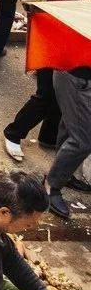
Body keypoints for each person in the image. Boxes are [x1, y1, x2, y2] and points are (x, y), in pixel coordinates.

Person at [5, 0, 91, 156]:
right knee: (46, 96)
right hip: (56, 44)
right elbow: (62, 21)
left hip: (63, 46)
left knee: (57, 100)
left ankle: (49, 138)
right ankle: (13, 133)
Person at [45, 56, 91, 218]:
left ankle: (63, 173)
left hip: (78, 76)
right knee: (83, 141)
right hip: (76, 77)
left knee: (71, 127)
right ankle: (51, 185)